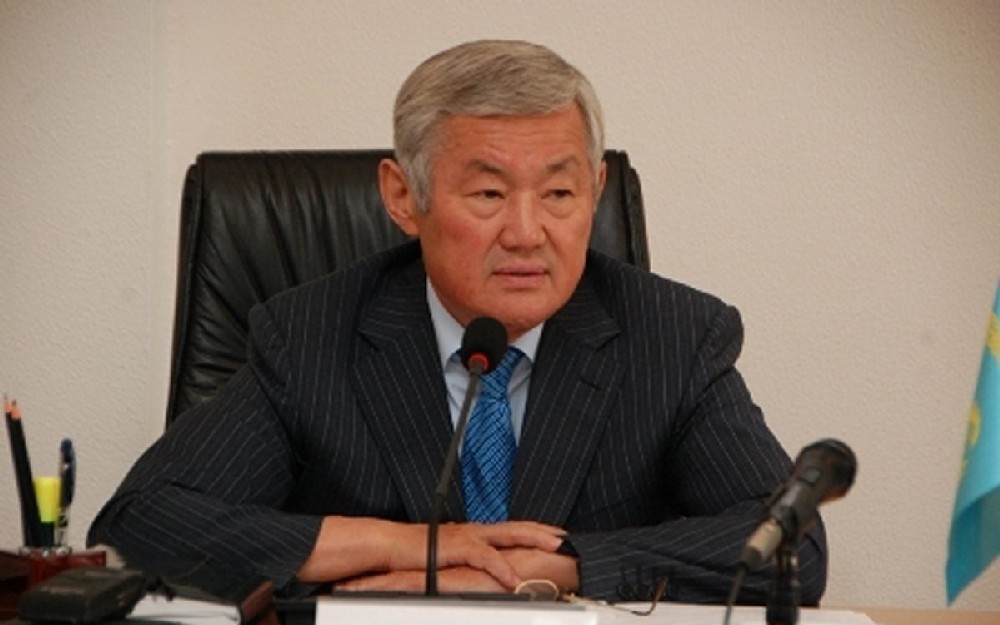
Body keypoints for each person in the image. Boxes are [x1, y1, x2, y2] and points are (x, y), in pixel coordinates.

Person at [89, 39, 827, 604]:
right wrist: (410, 546)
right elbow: (145, 519)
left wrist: (559, 569)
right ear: (402, 197)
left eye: (560, 194)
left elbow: (793, 546)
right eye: (488, 194)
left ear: (597, 191)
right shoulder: (310, 336)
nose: (528, 233)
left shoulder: (675, 337)